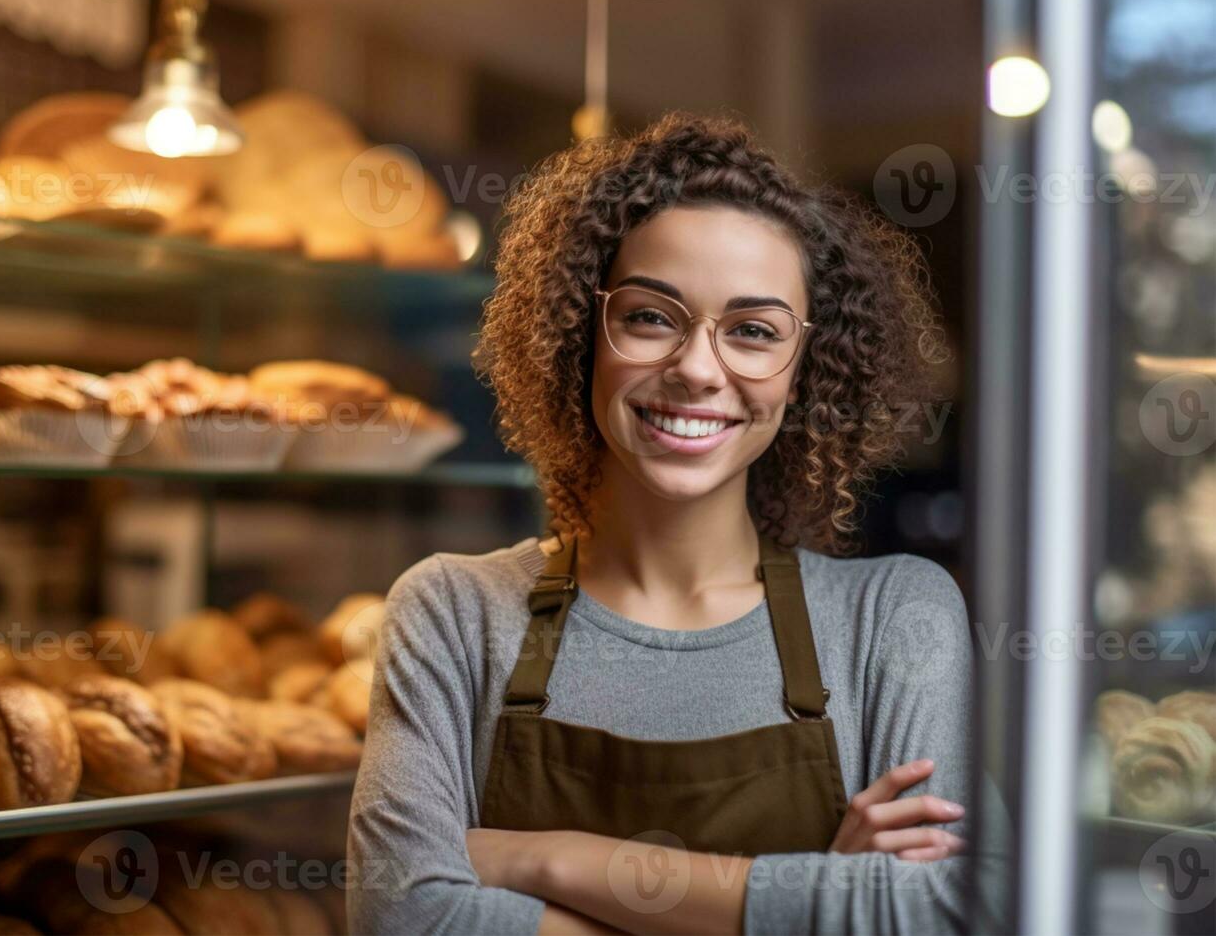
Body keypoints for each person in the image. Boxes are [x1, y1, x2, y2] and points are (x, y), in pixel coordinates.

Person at [347, 112, 1008, 934]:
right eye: (651, 316)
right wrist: (816, 903)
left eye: (754, 332)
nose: (697, 368)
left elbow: (961, 908)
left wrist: (544, 860)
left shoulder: (893, 617)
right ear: (583, 335)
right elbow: (400, 917)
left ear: (805, 372)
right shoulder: (451, 612)